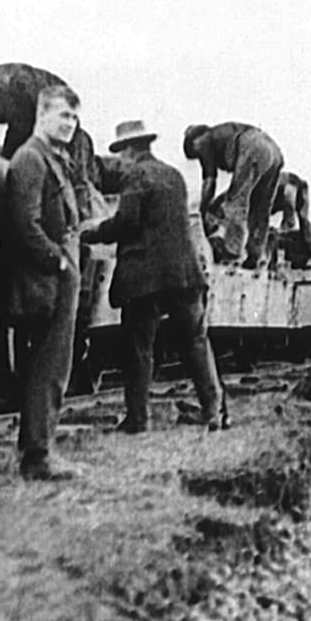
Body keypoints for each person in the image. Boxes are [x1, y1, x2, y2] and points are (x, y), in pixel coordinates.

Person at [80, 120, 226, 434]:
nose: (120, 160)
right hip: (185, 274)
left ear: (129, 150)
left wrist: (92, 233)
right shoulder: (173, 175)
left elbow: (128, 221)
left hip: (145, 278)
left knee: (138, 347)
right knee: (196, 342)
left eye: (120, 153)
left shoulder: (135, 175)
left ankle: (138, 419)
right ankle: (214, 412)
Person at [0, 84, 84, 479]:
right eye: (62, 115)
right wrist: (59, 262)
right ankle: (38, 456)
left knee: (51, 366)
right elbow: (24, 224)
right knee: (48, 368)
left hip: (52, 276)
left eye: (73, 116)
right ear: (42, 115)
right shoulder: (32, 158)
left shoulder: (51, 158)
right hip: (44, 278)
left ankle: (40, 449)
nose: (70, 123)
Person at [0, 60, 98, 212]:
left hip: (57, 114)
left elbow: (19, 130)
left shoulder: (13, 86)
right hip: (36, 121)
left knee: (73, 179)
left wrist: (2, 164)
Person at [182, 121, 284, 267]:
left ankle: (232, 252)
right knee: (260, 207)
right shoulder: (219, 133)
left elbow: (209, 183)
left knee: (235, 201)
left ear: (193, 143)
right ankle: (255, 255)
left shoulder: (203, 141)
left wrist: (203, 211)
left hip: (252, 146)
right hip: (273, 151)